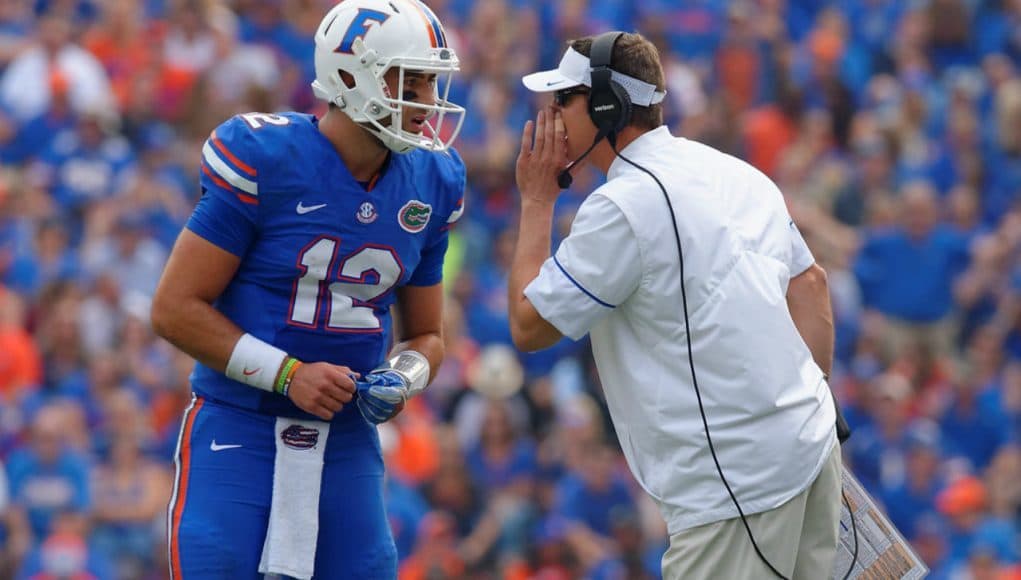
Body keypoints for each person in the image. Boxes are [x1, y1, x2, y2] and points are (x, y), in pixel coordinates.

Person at [508, 31, 844, 579]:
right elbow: (811, 287)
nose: (551, 116)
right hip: (812, 447)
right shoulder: (735, 170)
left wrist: (538, 199)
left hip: (734, 488)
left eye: (562, 99)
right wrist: (802, 415)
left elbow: (528, 325)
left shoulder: (622, 204)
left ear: (604, 105)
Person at [149, 0, 466, 577]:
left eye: (430, 80)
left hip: (347, 436)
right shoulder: (267, 157)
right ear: (350, 76)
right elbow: (174, 309)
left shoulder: (434, 181)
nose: (425, 99)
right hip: (239, 420)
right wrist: (288, 375)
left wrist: (403, 377)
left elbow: (427, 335)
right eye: (410, 79)